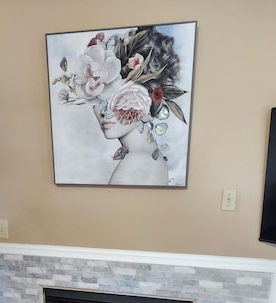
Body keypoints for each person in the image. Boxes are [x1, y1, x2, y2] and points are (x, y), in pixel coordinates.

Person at [54, 26, 187, 186]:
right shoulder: (151, 156)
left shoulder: (134, 163)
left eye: (114, 98)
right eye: (97, 99)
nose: (103, 112)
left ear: (143, 97)